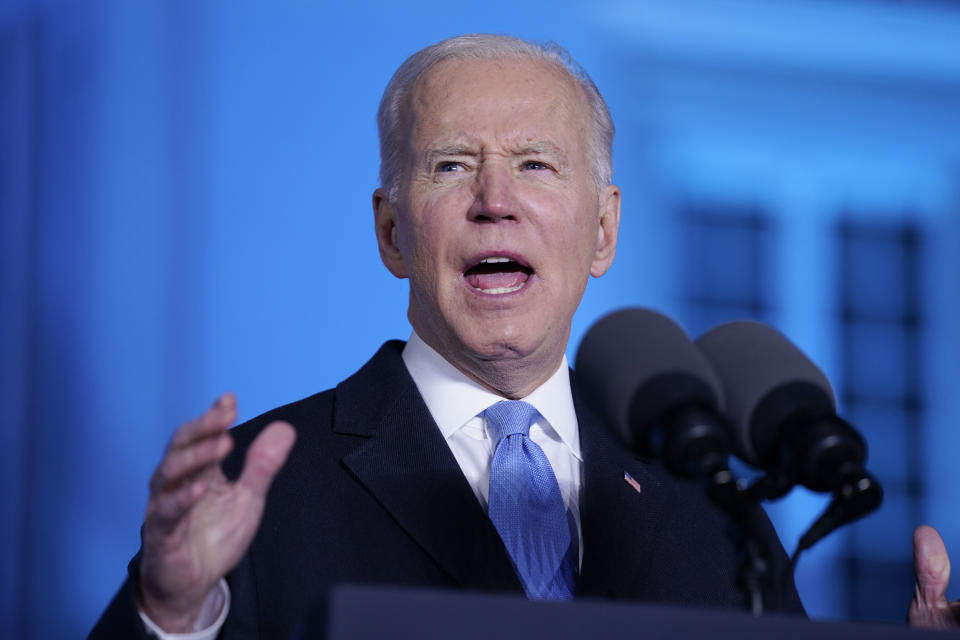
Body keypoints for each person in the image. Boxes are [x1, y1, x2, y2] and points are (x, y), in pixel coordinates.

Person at [89, 34, 956, 639]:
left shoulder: (708, 500)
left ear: (604, 232)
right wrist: (169, 617)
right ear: (392, 233)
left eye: (536, 165)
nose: (494, 199)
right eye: (451, 165)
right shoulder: (261, 488)